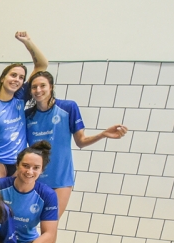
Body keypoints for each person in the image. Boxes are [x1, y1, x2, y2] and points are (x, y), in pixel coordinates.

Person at [26, 70, 128, 217]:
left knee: (50, 225)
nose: (38, 90)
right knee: (28, 226)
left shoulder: (68, 107)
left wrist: (103, 134)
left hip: (60, 178)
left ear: (51, 87)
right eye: (34, 87)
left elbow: (81, 141)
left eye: (43, 85)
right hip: (33, 177)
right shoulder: (27, 115)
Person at [0, 31, 48, 178]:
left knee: (14, 200)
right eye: (13, 75)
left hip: (19, 164)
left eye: (21, 77)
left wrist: (27, 42)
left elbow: (42, 64)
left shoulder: (21, 97)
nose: (17, 79)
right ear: (3, 78)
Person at [0, 141, 59, 243]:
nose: (29, 171)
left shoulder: (47, 194)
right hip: (2, 241)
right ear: (17, 165)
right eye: (25, 165)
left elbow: (49, 234)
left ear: (42, 170)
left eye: (36, 168)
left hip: (26, 241)